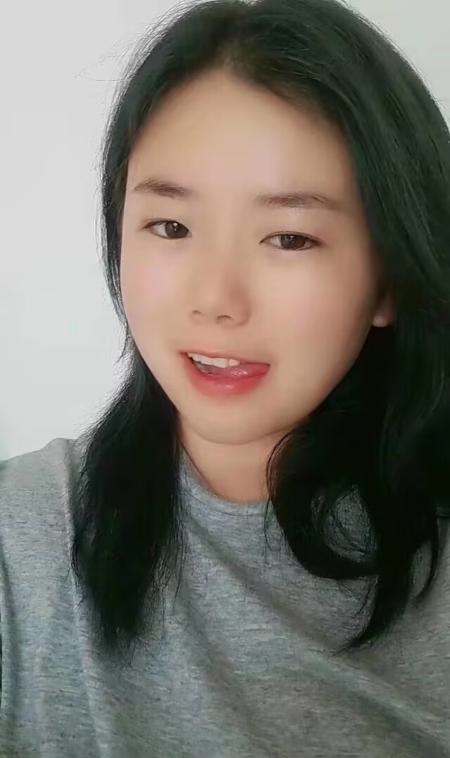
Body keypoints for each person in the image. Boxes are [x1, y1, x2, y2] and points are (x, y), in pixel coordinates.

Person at [1, 0, 450, 755]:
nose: (215, 299)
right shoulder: (22, 537)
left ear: (389, 277)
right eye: (171, 226)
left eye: (290, 237)